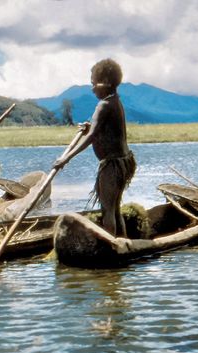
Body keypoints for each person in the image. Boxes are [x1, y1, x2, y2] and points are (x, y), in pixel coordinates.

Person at [53, 58, 136, 237]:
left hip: (113, 166)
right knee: (114, 208)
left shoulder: (104, 105)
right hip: (122, 162)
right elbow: (102, 130)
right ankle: (122, 241)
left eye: (93, 84)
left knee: (108, 210)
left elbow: (91, 137)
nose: (92, 89)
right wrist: (90, 128)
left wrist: (65, 159)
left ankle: (111, 248)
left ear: (105, 82)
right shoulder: (115, 102)